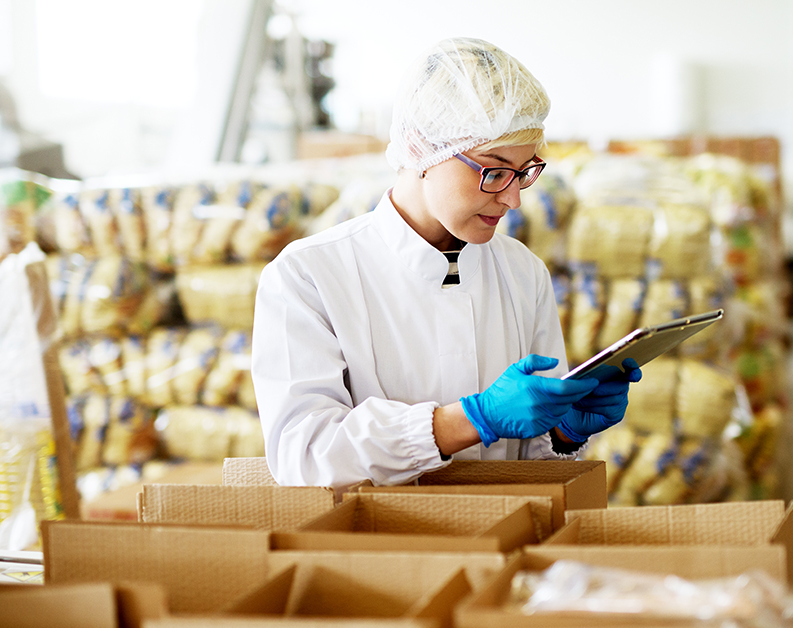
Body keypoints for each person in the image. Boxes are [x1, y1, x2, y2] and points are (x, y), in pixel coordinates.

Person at [251, 37, 641, 488]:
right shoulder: (309, 275)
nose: (513, 199)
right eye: (494, 171)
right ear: (421, 147)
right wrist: (470, 420)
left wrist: (563, 431)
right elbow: (303, 453)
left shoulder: (523, 272)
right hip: (375, 533)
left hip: (506, 528)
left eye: (524, 172)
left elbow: (534, 466)